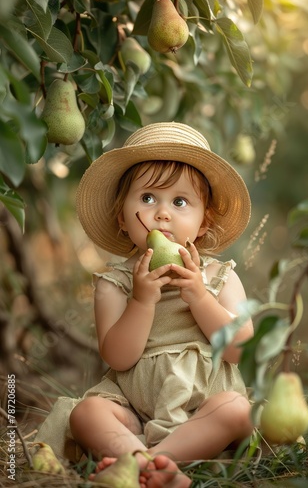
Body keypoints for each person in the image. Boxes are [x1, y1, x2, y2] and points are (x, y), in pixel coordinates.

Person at [35, 122, 254, 487]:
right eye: (148, 198)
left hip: (203, 408)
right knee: (87, 413)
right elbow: (118, 358)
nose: (162, 213)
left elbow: (241, 348)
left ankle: (147, 462)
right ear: (123, 218)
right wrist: (142, 301)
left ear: (204, 223)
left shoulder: (219, 276)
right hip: (133, 410)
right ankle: (154, 464)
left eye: (180, 201)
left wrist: (200, 297)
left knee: (237, 409)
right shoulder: (115, 284)